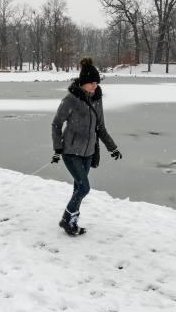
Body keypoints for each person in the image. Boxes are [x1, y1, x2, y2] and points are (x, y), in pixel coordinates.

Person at [50, 58, 122, 236]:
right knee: (84, 188)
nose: (95, 86)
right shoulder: (70, 99)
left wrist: (112, 147)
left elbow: (101, 127)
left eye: (97, 82)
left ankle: (72, 221)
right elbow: (56, 124)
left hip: (89, 152)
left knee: (78, 188)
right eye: (91, 83)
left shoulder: (97, 100)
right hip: (71, 151)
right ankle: (67, 219)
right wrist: (58, 149)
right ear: (82, 83)